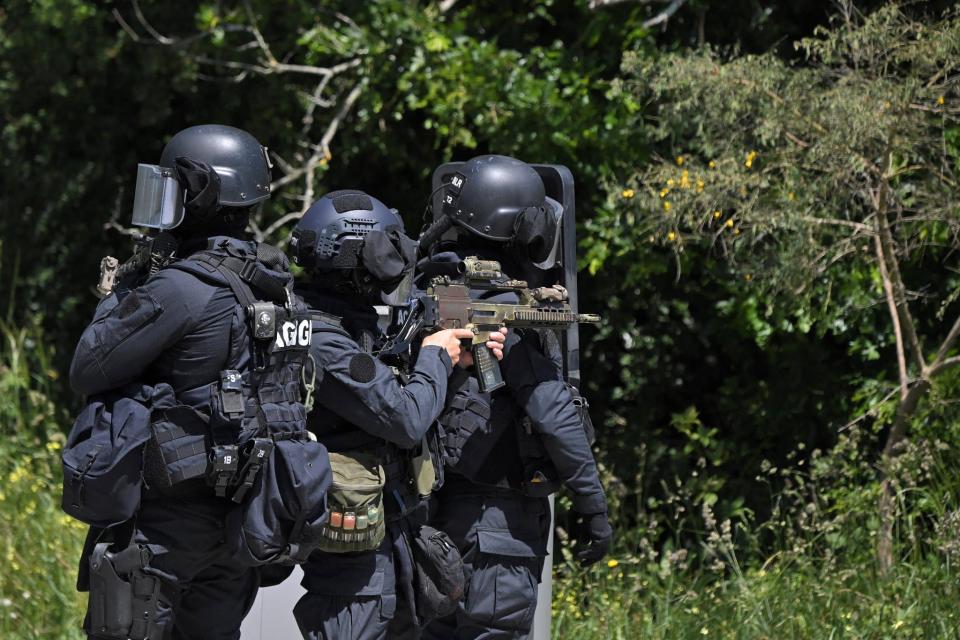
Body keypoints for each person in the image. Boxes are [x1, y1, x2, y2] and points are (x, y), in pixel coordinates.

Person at [68, 124, 319, 640]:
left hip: (166, 528)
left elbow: (88, 367)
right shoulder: (275, 283)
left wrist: (120, 291)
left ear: (196, 195)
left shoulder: (181, 287)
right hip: (239, 522)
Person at [287, 189, 507, 640]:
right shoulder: (323, 338)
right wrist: (435, 356)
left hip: (388, 531)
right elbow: (404, 420)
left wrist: (453, 364)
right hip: (352, 557)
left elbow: (394, 397)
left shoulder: (350, 326)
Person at [419, 155, 612, 640]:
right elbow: (555, 416)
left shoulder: (432, 296)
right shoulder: (498, 314)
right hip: (496, 531)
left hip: (429, 523)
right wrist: (594, 509)